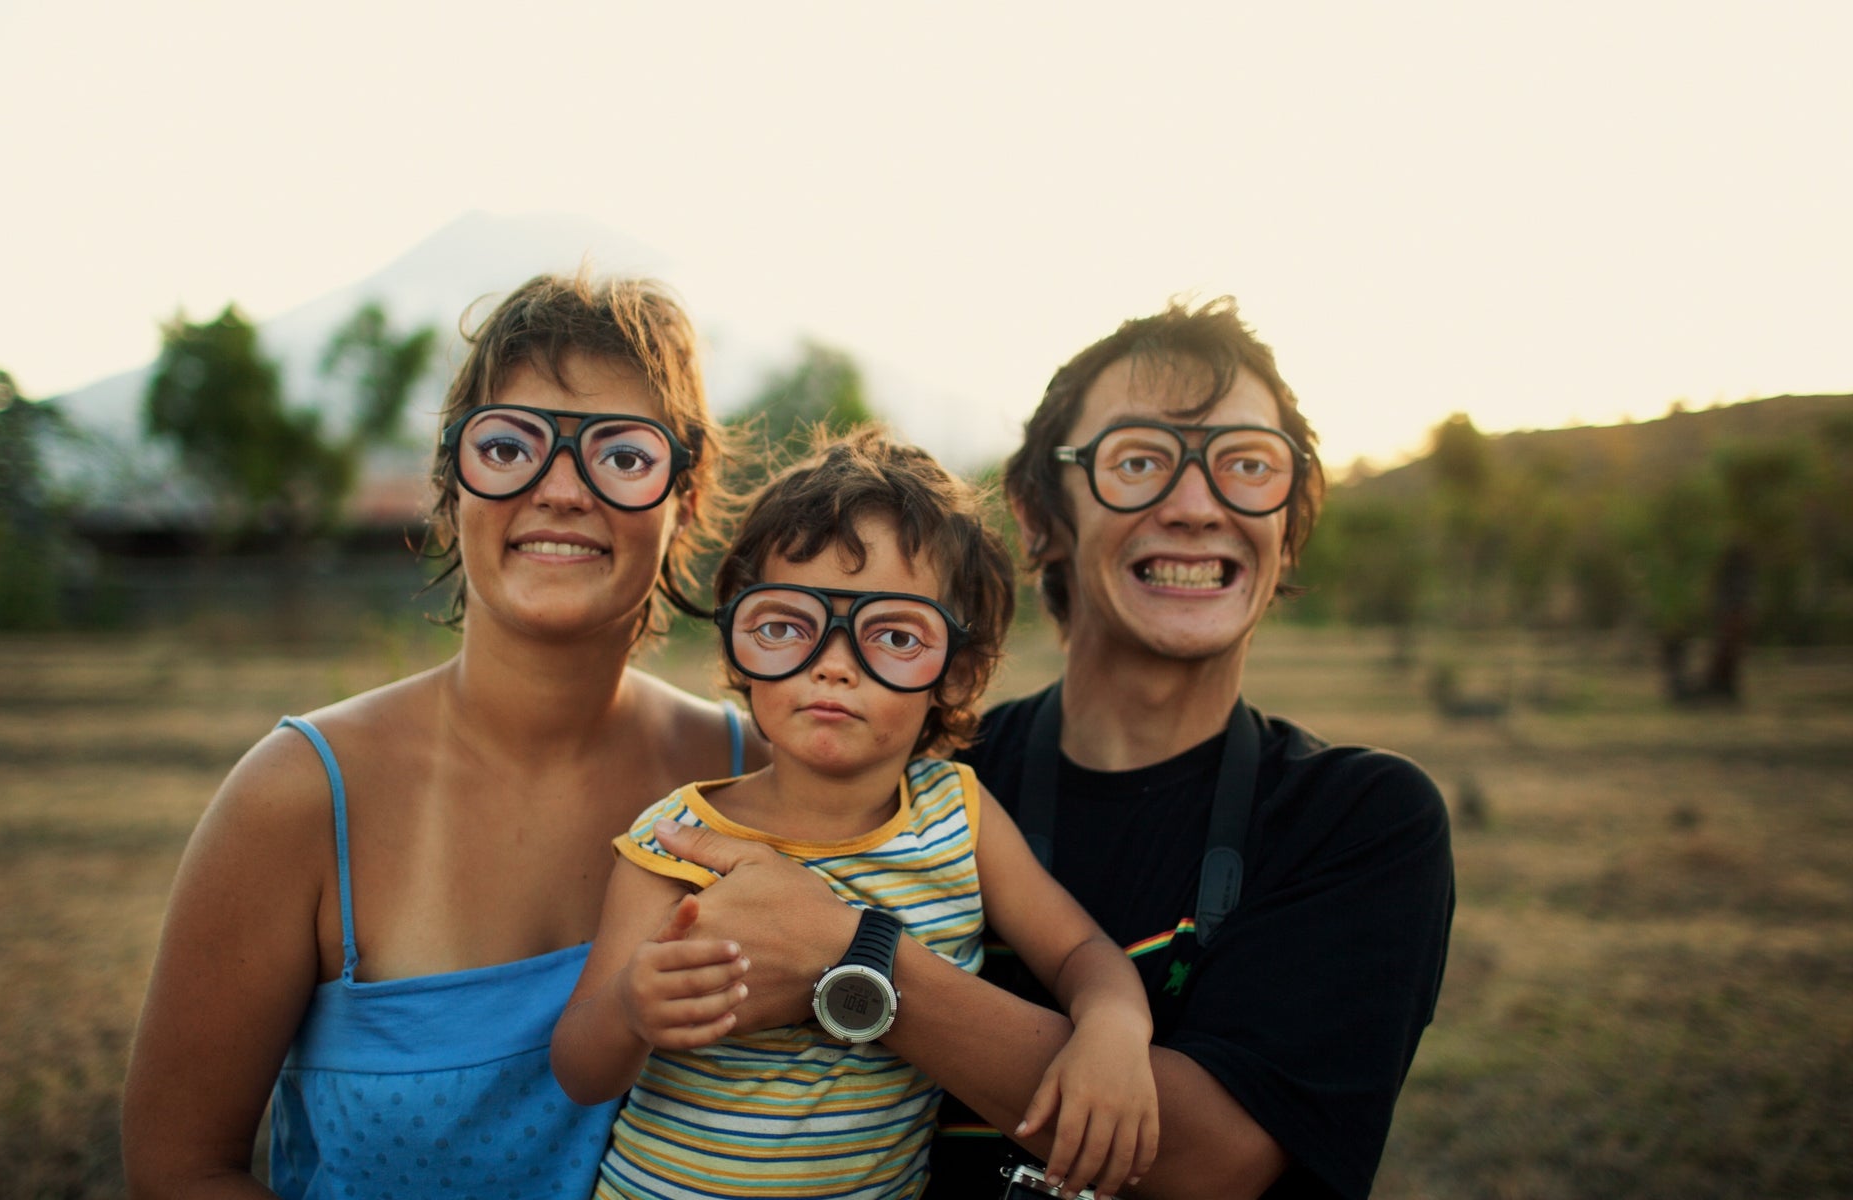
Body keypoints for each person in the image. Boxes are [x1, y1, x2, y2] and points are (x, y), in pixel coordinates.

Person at [652, 298, 1456, 1199]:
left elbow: (1211, 1161)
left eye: (1247, 466)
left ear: (1291, 512)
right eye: (1140, 461)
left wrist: (854, 958)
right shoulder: (912, 779)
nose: (1197, 506)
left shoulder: (1358, 818)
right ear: (1037, 511)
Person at [121, 272, 761, 1199]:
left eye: (622, 456)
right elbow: (179, 1169)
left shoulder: (756, 778)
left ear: (687, 496)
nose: (562, 490)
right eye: (509, 446)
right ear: (451, 481)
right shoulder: (301, 795)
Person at [550, 430, 1161, 1200]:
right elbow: (578, 1068)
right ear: (741, 647)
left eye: (894, 635)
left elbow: (1080, 953)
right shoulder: (677, 839)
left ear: (958, 671)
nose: (832, 664)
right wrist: (633, 1008)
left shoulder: (958, 816)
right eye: (786, 625)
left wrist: (1114, 1027)